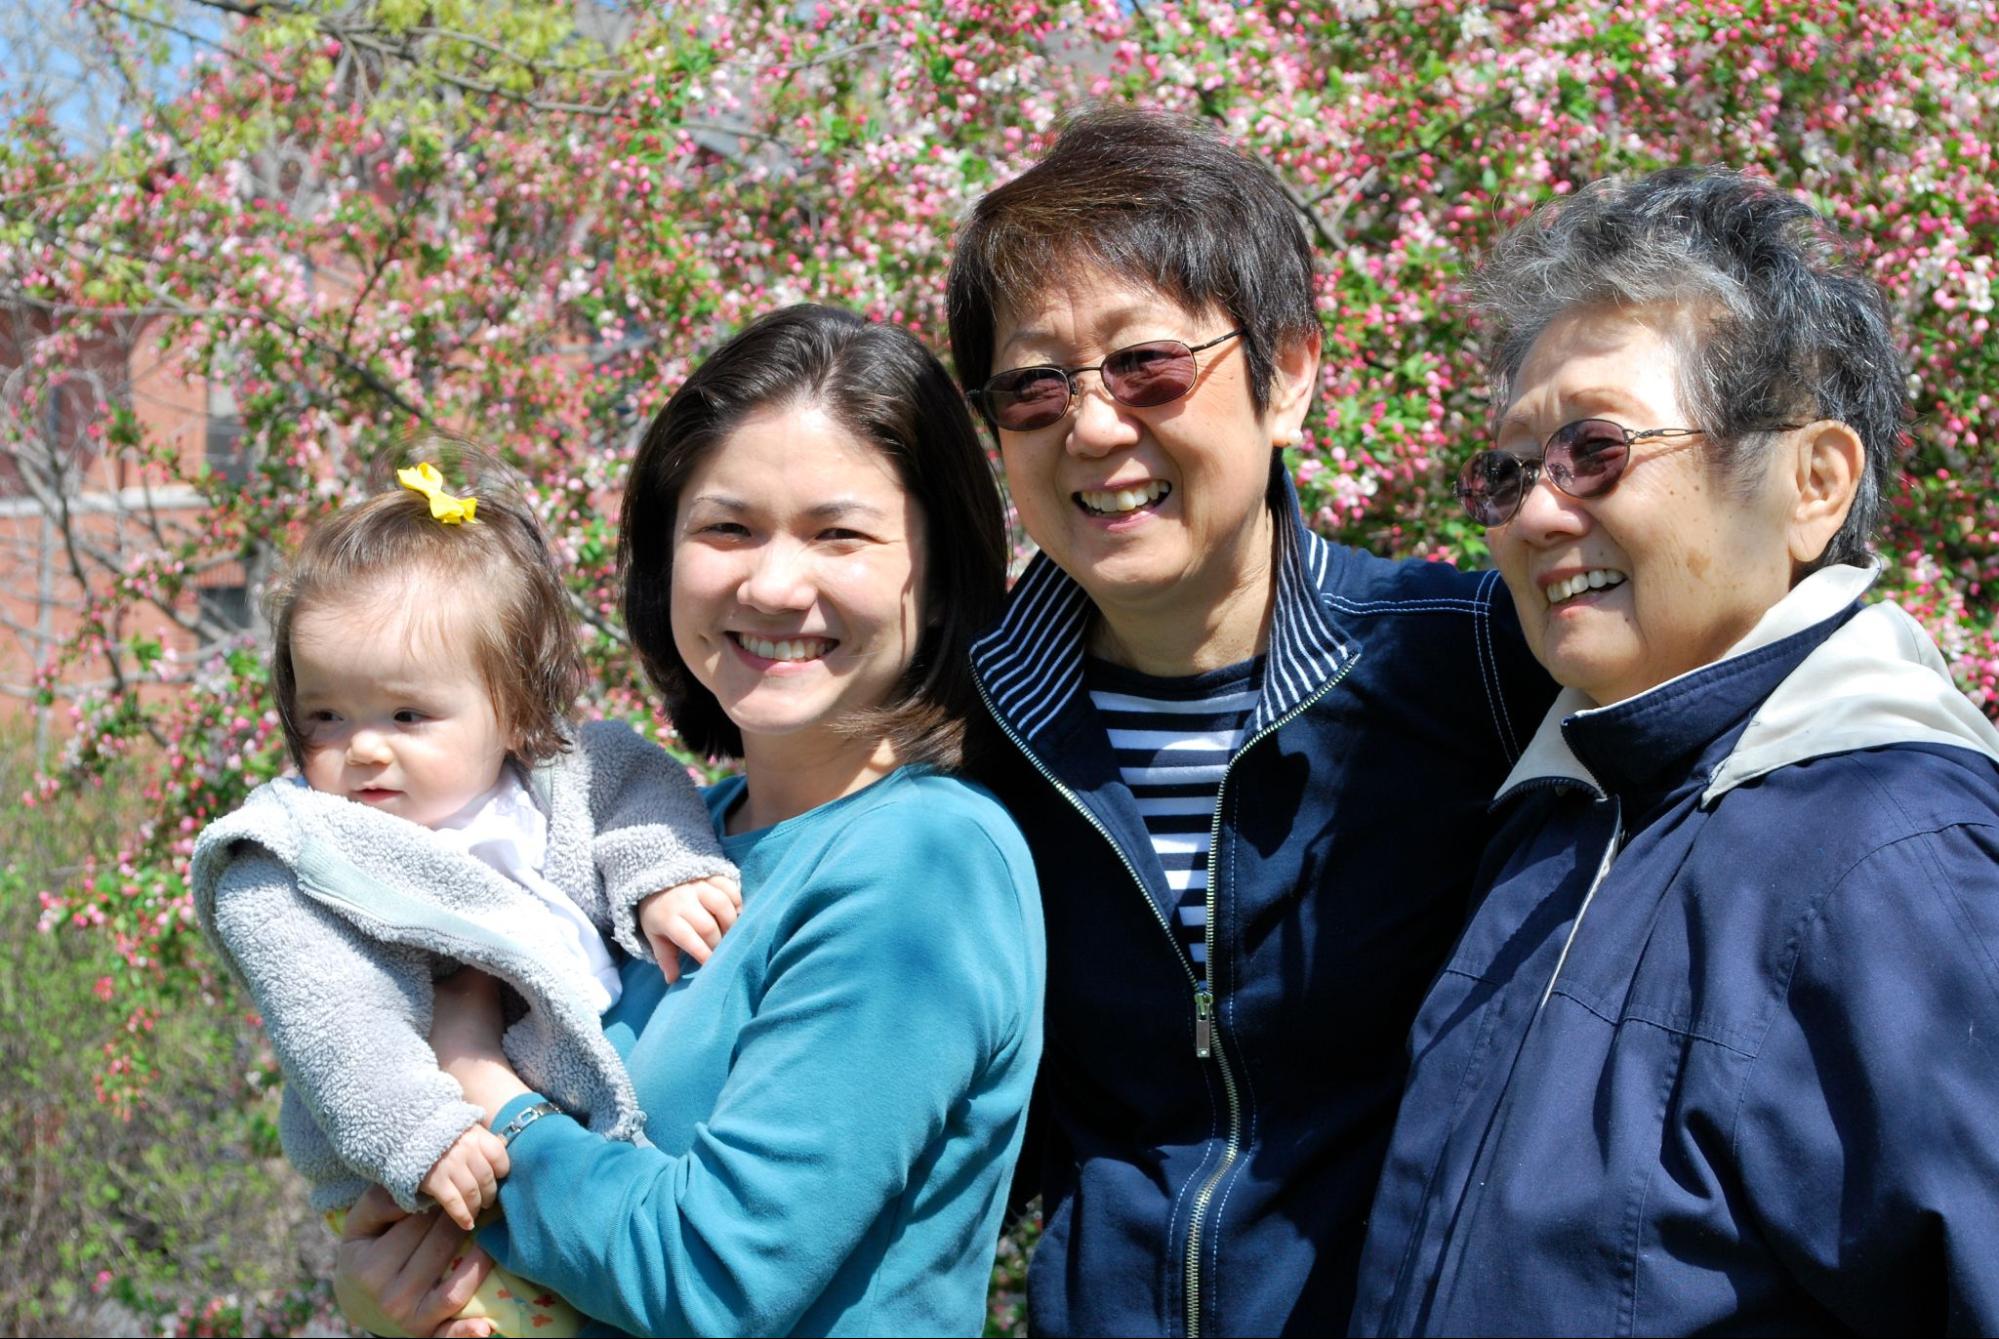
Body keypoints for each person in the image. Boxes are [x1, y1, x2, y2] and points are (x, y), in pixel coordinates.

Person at [1351, 167, 1999, 1335]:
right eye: (1508, 469)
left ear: (1812, 483)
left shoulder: (1901, 861)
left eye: (1596, 448)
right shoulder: (1560, 817)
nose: (1537, 513)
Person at [946, 107, 1556, 1336]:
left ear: (1288, 375)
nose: (1096, 425)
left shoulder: (1471, 659)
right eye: (1032, 386)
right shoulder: (969, 717)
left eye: (1147, 365)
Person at [332, 303, 1046, 1337]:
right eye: (728, 527)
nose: (772, 582)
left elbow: (717, 1277)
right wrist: (390, 1293)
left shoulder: (922, 864)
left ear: (933, 579)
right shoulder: (657, 846)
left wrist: (482, 1087)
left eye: (838, 533)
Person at [191, 455, 742, 1336]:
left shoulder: (562, 779)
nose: (363, 749)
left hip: (567, 1165)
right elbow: (335, 1016)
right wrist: (420, 1132)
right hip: (428, 1183)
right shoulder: (294, 855)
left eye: (407, 715)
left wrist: (663, 874)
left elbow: (644, 785)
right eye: (325, 716)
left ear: (517, 708)